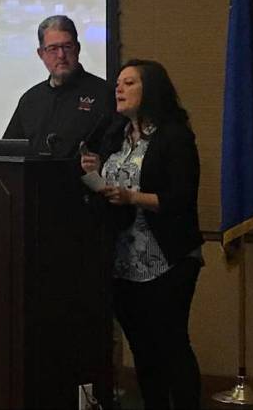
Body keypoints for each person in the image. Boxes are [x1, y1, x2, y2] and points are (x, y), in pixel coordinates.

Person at [81, 59, 204, 410]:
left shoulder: (174, 136)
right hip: (122, 260)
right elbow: (108, 189)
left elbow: (181, 197)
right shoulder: (113, 135)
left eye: (129, 83)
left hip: (168, 257)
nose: (118, 89)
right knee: (142, 350)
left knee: (171, 344)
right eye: (118, 83)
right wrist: (94, 174)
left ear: (151, 90)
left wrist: (132, 197)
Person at [3, 15, 113, 157]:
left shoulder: (103, 94)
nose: (61, 55)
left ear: (77, 49)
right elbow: (7, 152)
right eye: (53, 49)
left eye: (67, 47)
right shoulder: (30, 100)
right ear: (41, 53)